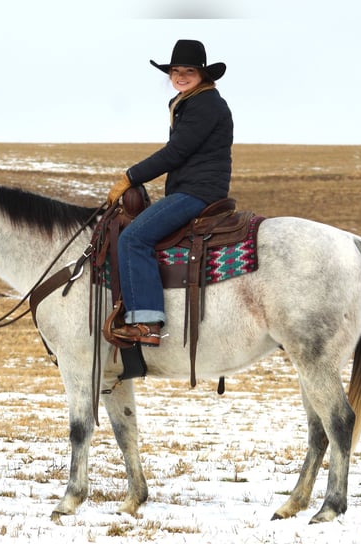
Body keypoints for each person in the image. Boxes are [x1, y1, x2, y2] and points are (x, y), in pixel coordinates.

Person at [106, 39, 234, 347]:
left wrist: (130, 177)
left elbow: (175, 153)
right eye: (175, 70)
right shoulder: (190, 101)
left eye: (189, 70)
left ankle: (146, 323)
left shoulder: (205, 104)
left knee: (134, 239)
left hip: (198, 191)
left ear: (203, 74)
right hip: (195, 187)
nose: (180, 75)